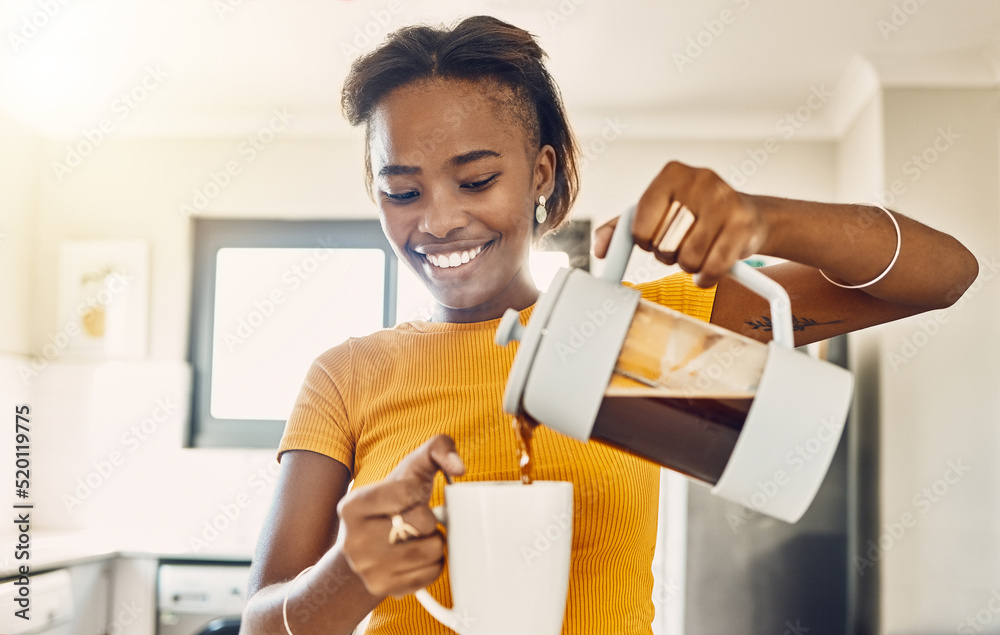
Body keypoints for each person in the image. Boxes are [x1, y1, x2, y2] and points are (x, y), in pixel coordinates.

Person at [241, 15, 978, 635]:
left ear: (542, 173)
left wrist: (764, 219)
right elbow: (258, 622)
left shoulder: (643, 329)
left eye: (475, 180)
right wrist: (347, 576)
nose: (437, 220)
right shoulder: (347, 375)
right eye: (401, 190)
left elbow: (944, 274)